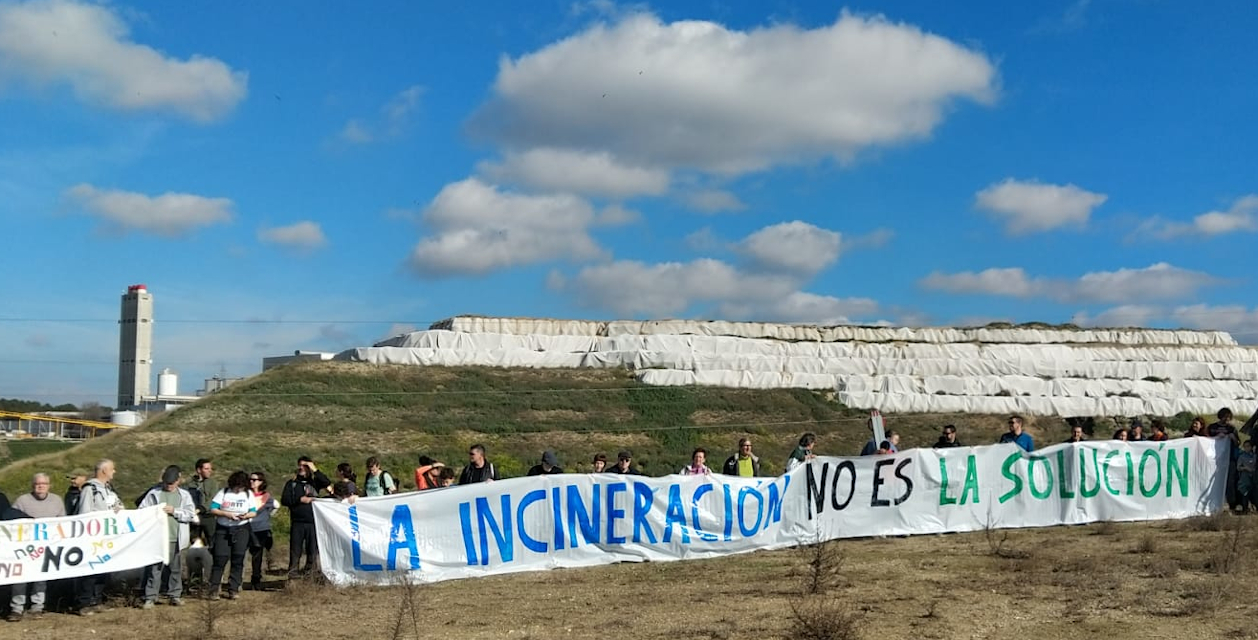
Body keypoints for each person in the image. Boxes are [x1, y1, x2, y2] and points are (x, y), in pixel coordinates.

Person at [138, 465, 197, 609]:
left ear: (178, 481)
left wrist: (174, 511)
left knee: (175, 568)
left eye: (171, 483)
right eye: (166, 483)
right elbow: (141, 511)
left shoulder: (184, 495)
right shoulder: (154, 494)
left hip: (174, 538)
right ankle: (150, 597)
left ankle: (175, 595)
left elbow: (190, 514)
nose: (169, 486)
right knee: (154, 569)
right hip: (157, 538)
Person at [9, 473, 66, 621]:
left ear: (49, 485)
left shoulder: (57, 501)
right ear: (32, 485)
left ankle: (37, 607)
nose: (41, 486)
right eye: (37, 484)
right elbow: (11, 522)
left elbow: (63, 523)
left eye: (44, 484)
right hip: (24, 547)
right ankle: (17, 608)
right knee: (20, 577)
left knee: (40, 577)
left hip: (47, 546)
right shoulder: (22, 501)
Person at [75, 459, 123, 616]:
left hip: (107, 538)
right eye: (112, 469)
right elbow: (84, 513)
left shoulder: (109, 489)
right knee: (90, 570)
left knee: (103, 569)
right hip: (93, 538)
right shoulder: (90, 489)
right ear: (104, 470)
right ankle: (84, 603)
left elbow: (118, 506)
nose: (114, 472)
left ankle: (97, 600)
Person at [207, 471, 256, 600]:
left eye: (241, 487)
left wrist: (245, 516)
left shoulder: (248, 494)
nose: (238, 489)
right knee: (220, 558)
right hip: (223, 529)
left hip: (241, 529)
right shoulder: (223, 493)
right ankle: (214, 589)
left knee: (238, 559)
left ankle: (233, 589)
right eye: (236, 486)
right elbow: (213, 508)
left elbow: (253, 511)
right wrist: (226, 514)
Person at [281, 456, 331, 579]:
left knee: (312, 551)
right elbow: (285, 500)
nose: (302, 468)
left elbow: (327, 483)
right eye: (300, 465)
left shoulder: (315, 483)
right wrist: (299, 499)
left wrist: (315, 470)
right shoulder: (292, 483)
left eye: (305, 466)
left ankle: (310, 575)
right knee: (295, 550)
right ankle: (293, 575)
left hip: (313, 521)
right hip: (297, 522)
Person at [248, 471, 280, 590]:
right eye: (250, 479)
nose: (251, 482)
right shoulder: (245, 495)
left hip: (260, 529)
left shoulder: (266, 497)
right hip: (246, 527)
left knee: (257, 555)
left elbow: (276, 505)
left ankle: (256, 578)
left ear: (261, 482)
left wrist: (268, 516)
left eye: (254, 480)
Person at [1209, 408, 1242, 511]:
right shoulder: (1212, 427)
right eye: (1225, 416)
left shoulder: (1231, 428)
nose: (1227, 419)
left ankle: (1232, 503)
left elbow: (1238, 443)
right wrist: (1217, 437)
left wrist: (1232, 437)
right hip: (1214, 459)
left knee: (1230, 481)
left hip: (1229, 458)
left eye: (1228, 417)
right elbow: (1205, 439)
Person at [187, 458, 218, 553]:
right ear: (199, 470)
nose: (210, 471)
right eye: (206, 469)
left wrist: (201, 508)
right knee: (195, 542)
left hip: (208, 516)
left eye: (210, 468)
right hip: (194, 517)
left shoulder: (213, 483)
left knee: (212, 542)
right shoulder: (190, 484)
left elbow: (213, 498)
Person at [1237, 440, 1257, 513]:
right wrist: (1245, 468)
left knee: (1254, 493)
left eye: (1248, 446)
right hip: (1244, 477)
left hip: (1253, 477)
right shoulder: (1242, 456)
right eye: (1245, 447)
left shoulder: (1254, 456)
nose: (1246, 448)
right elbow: (1238, 467)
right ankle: (1245, 508)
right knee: (1245, 493)